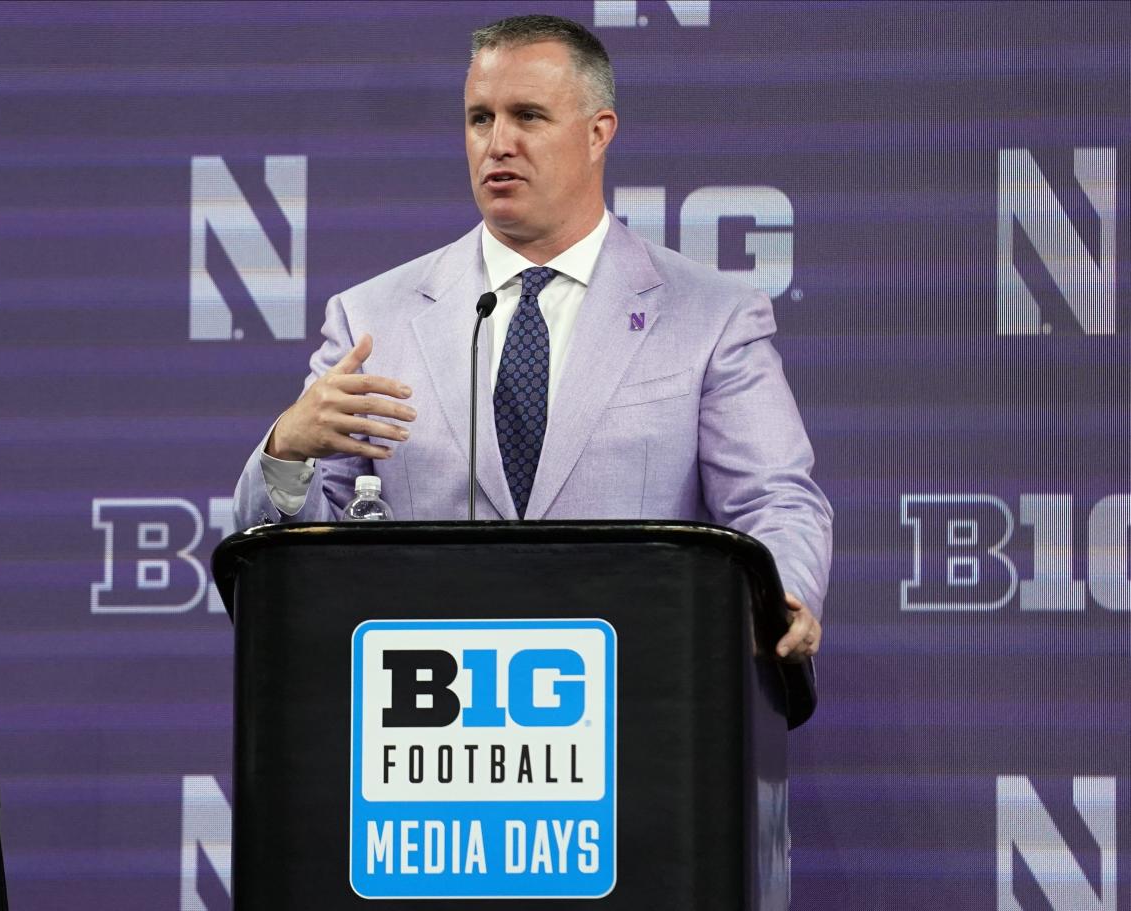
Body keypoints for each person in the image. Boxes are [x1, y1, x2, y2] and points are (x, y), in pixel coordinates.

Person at [234, 14, 831, 660]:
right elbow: (300, 562)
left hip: (638, 705)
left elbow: (775, 498)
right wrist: (286, 452)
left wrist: (783, 592)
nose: (498, 144)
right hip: (428, 718)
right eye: (480, 119)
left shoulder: (709, 316)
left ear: (598, 133)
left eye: (528, 116)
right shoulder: (373, 319)